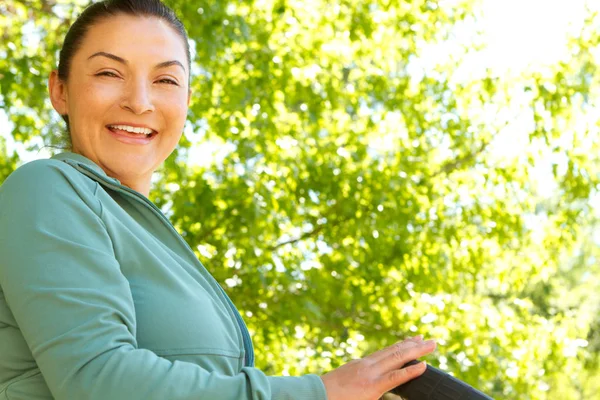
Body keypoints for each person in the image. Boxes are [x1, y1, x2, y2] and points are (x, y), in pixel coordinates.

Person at [0, 0, 436, 399]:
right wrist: (321, 392)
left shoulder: (154, 241)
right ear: (60, 90)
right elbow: (97, 377)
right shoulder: (45, 188)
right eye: (109, 73)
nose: (139, 101)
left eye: (165, 79)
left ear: (187, 101)